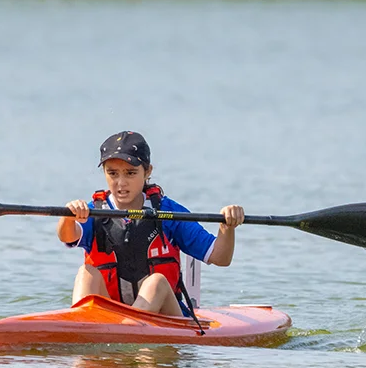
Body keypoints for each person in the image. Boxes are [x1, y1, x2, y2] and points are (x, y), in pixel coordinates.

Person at [57, 131, 244, 317]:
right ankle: (78, 328)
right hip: (112, 317)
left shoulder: (169, 212)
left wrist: (227, 227)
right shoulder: (94, 211)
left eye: (130, 173)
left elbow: (221, 258)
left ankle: (129, 332)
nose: (121, 183)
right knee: (86, 273)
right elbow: (67, 236)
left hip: (167, 317)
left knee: (156, 283)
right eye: (112, 173)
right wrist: (69, 216)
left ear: (147, 172)